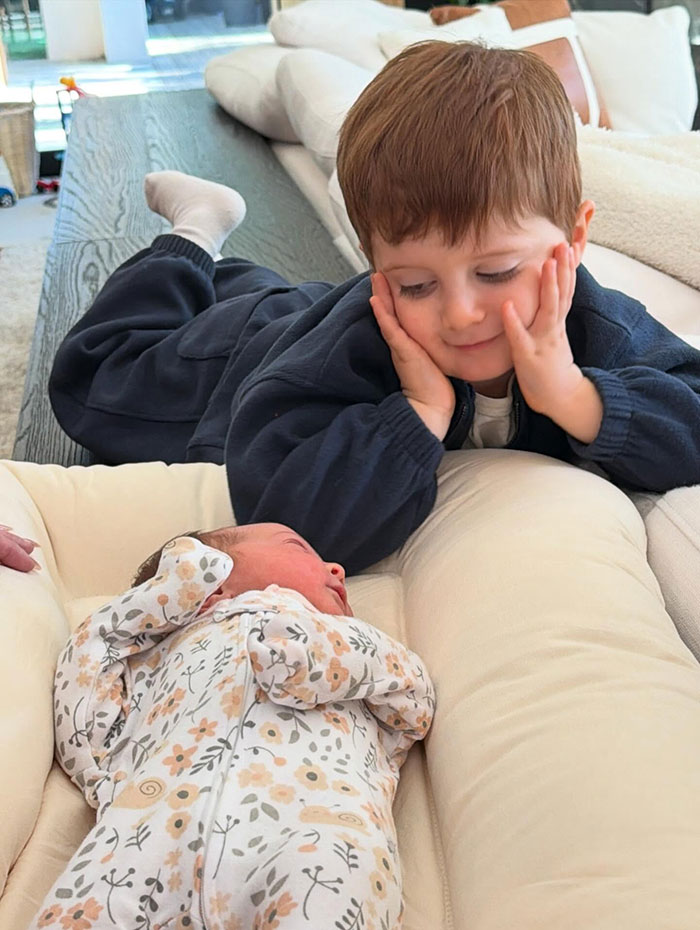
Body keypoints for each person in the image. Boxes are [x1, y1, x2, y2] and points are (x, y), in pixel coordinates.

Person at [48, 41, 700, 575]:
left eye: (496, 272)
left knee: (264, 295)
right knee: (95, 374)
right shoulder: (344, 347)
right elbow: (286, 521)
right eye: (417, 284)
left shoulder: (594, 325)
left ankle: (237, 278)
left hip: (300, 311)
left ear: (574, 241)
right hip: (251, 352)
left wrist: (576, 396)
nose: (462, 313)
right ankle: (194, 232)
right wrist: (420, 415)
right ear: (376, 263)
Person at [32, 523, 434, 929]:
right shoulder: (153, 657)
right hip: (145, 833)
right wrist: (162, 598)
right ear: (210, 578)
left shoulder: (352, 640)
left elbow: (414, 698)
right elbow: (83, 706)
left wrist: (310, 654)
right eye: (298, 547)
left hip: (315, 829)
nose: (337, 568)